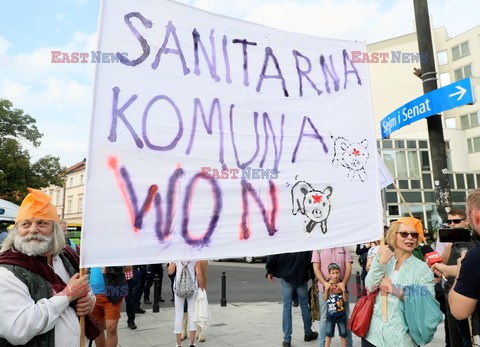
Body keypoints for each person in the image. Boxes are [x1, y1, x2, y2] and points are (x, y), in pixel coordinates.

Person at [0, 188, 98, 346]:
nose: (33, 230)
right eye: (26, 224)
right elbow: (17, 329)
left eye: (42, 223)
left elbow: (83, 288)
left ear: (55, 229)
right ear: (17, 230)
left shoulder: (67, 256)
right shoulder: (7, 270)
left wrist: (90, 301)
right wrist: (67, 296)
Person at [362, 217, 440, 347]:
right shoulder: (381, 258)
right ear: (394, 236)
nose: (410, 238)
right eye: (404, 234)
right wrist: (381, 263)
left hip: (402, 339)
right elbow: (369, 287)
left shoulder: (422, 269)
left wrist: (394, 289)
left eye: (414, 235)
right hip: (372, 336)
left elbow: (427, 299)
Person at [266, 251, 318, 347]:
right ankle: (308, 332)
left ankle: (287, 339)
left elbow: (272, 257)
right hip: (301, 276)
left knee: (287, 307)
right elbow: (310, 258)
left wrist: (269, 271)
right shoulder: (303, 240)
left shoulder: (283, 240)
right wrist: (312, 275)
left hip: (286, 276)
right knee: (304, 305)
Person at [447, 190, 480, 331]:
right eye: (450, 222)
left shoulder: (475, 257)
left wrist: (461, 269)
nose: (453, 224)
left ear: (475, 216)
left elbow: (459, 311)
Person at [312, 246, 353, 347]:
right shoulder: (318, 248)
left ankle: (348, 345)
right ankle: (323, 345)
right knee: (325, 319)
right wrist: (325, 283)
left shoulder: (344, 247)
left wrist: (343, 283)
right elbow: (316, 268)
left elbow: (348, 267)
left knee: (345, 318)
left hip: (342, 288)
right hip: (325, 289)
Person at [168, 261, 204, 347]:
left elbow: (170, 271)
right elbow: (198, 273)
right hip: (192, 288)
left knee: (178, 314)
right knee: (192, 313)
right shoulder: (195, 256)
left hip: (178, 288)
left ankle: (178, 344)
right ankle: (192, 343)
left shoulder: (176, 255)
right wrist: (202, 287)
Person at [90, 266, 126, 347]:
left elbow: (128, 267)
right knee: (98, 328)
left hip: (113, 292)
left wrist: (111, 268)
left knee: (111, 329)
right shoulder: (89, 253)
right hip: (93, 293)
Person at [322, 263, 347, 347]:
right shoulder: (327, 284)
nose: (335, 275)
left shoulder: (342, 284)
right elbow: (324, 298)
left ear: (340, 273)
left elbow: (345, 300)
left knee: (343, 334)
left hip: (341, 314)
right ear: (329, 274)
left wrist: (343, 290)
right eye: (333, 273)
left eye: (337, 272)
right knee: (328, 334)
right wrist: (326, 290)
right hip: (330, 314)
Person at [124, 265, 137, 330]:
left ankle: (131, 321)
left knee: (129, 301)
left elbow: (129, 267)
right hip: (114, 280)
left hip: (128, 279)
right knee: (113, 301)